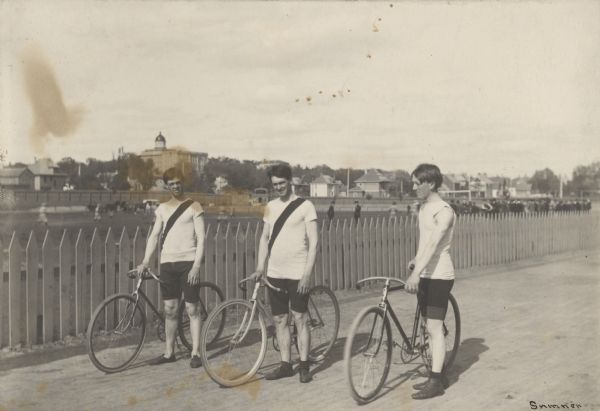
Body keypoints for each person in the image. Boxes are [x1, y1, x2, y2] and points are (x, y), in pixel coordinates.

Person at [249, 164, 318, 383]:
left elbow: (314, 242)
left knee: (300, 318)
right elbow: (264, 238)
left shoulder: (306, 206)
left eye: (282, 183)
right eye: (275, 184)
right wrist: (261, 266)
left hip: (298, 272)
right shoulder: (270, 206)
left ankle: (305, 364)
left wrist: (307, 274)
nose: (279, 187)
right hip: (275, 272)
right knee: (279, 319)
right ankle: (286, 364)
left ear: (291, 181)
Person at [136, 168, 205, 368]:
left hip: (188, 262)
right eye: (171, 183)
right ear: (167, 186)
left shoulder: (194, 206)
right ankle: (169, 352)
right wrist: (146, 260)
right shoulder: (163, 208)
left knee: (192, 308)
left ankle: (195, 352)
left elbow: (201, 237)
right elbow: (155, 235)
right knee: (170, 309)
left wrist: (196, 266)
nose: (175, 186)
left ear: (183, 183)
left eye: (178, 182)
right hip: (168, 263)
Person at [405, 163, 456, 400]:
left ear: (432, 183)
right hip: (425, 273)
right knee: (431, 326)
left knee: (434, 328)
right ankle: (439, 370)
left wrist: (416, 274)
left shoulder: (444, 211)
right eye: (413, 183)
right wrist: (416, 260)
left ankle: (436, 382)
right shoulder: (424, 208)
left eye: (417, 183)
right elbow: (425, 242)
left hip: (439, 276)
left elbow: (435, 244)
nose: (413, 187)